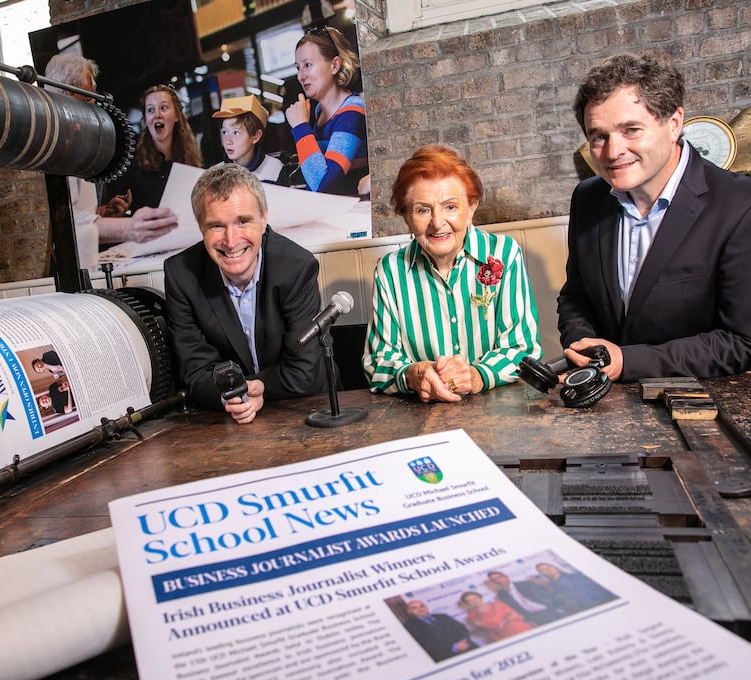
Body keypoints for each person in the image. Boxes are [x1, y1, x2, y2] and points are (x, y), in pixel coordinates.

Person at [557, 53, 751, 381]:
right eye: (599, 136)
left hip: (715, 401)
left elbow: (743, 343)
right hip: (614, 401)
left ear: (674, 123)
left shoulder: (750, 206)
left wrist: (626, 361)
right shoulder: (588, 198)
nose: (612, 151)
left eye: (631, 130)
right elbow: (576, 297)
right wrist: (584, 347)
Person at [362, 145, 542, 402]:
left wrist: (478, 375)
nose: (437, 222)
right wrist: (414, 374)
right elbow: (377, 362)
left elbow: (523, 348)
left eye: (450, 207)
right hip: (422, 416)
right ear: (406, 218)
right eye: (423, 210)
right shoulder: (389, 271)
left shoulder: (504, 253)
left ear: (471, 208)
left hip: (497, 411)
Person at [162, 164, 328, 424]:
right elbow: (194, 373)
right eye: (216, 226)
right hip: (229, 419)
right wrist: (232, 397)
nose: (231, 240)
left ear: (264, 219)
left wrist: (259, 386)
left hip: (306, 408)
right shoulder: (180, 275)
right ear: (200, 228)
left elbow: (304, 371)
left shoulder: (297, 268)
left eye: (243, 221)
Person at [42, 55, 179, 265]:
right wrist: (129, 228)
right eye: (89, 96)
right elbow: (65, 219)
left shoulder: (77, 141)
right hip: (66, 262)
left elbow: (78, 210)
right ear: (69, 92)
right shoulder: (56, 144)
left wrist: (102, 212)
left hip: (88, 256)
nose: (95, 102)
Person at [101, 84, 204, 225]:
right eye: (150, 110)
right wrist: (116, 211)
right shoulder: (131, 165)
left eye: (163, 108)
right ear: (145, 119)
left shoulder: (191, 163)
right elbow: (112, 214)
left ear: (177, 116)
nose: (157, 115)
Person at [285, 25, 368, 196]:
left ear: (334, 66)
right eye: (298, 68)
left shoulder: (352, 112)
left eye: (308, 65)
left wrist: (301, 128)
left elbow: (324, 185)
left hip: (351, 215)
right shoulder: (319, 111)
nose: (300, 76)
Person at [212, 94, 289, 185]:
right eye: (224, 132)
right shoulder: (215, 175)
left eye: (236, 133)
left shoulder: (274, 170)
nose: (228, 141)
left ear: (256, 136)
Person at [402, 599, 477, 662]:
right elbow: (424, 645)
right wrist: (454, 647)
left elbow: (462, 629)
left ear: (426, 607)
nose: (420, 609)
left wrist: (462, 643)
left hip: (468, 648)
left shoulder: (443, 616)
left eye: (422, 606)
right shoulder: (409, 627)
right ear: (409, 612)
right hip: (447, 658)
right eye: (414, 608)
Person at [486, 571, 561, 625]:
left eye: (499, 577)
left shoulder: (526, 584)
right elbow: (513, 610)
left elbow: (548, 595)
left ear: (506, 577)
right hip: (533, 618)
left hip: (549, 611)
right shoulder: (501, 595)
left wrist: (556, 608)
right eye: (494, 580)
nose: (498, 581)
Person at [458, 588, 532, 643]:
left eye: (475, 598)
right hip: (502, 638)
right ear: (467, 604)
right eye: (469, 600)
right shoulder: (472, 616)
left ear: (480, 598)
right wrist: (506, 619)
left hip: (521, 629)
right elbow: (494, 626)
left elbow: (513, 614)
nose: (474, 601)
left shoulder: (498, 604)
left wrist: (503, 622)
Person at [535, 562, 616, 611]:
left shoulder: (576, 576)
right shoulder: (553, 587)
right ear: (542, 574)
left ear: (554, 566)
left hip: (599, 603)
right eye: (543, 569)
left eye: (549, 566)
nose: (548, 569)